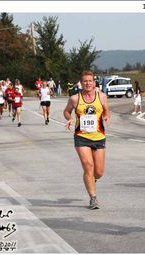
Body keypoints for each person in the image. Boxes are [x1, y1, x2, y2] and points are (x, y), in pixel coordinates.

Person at [63, 71, 111, 210]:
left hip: (99, 136)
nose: (88, 83)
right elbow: (66, 111)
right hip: (81, 137)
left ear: (94, 83)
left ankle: (92, 180)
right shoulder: (75, 99)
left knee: (99, 172)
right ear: (81, 83)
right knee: (88, 165)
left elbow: (107, 110)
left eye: (90, 81)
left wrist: (107, 116)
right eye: (85, 81)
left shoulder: (101, 97)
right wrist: (70, 118)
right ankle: (93, 197)